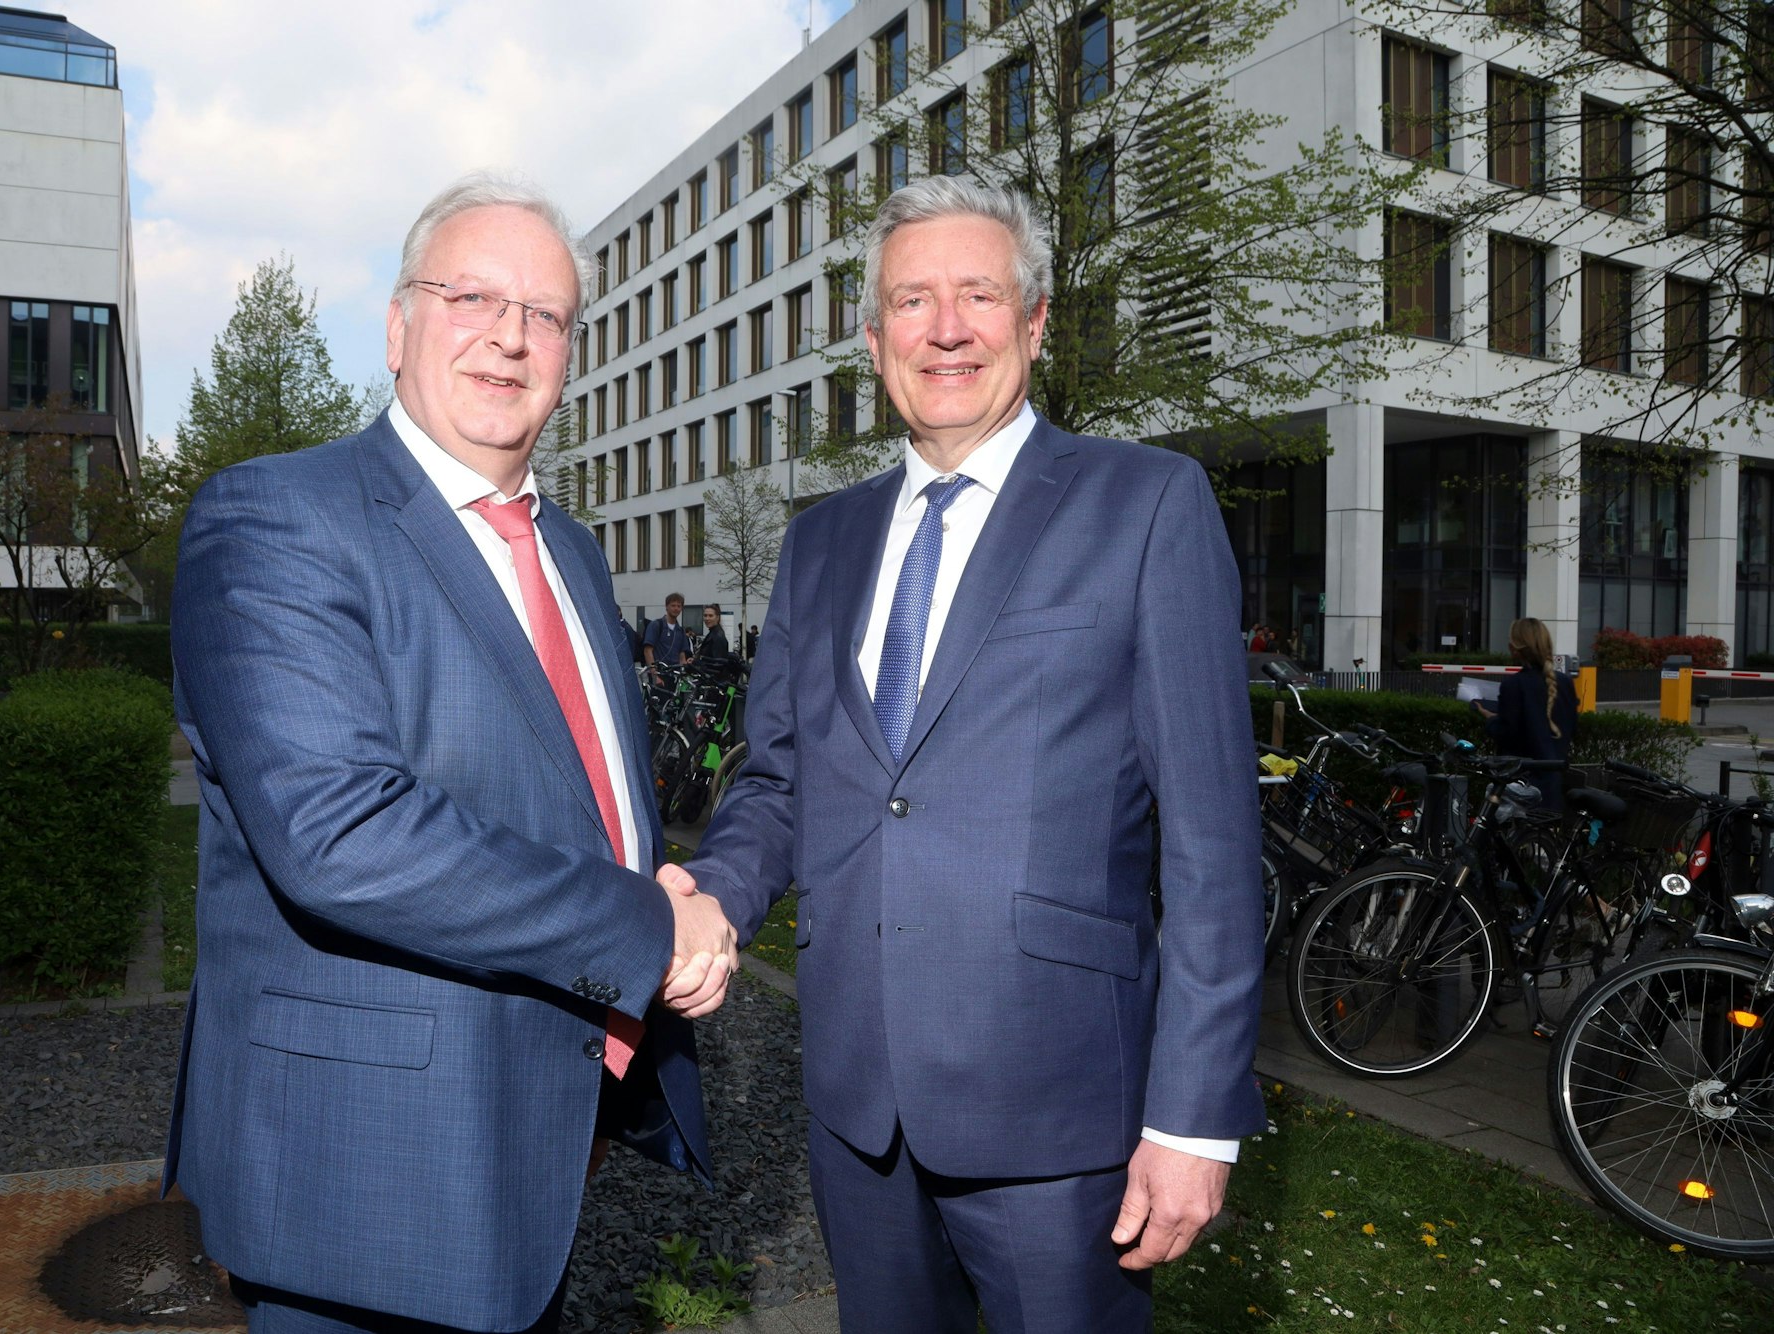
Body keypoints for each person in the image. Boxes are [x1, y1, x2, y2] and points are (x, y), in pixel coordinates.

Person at [671, 177, 1264, 1333]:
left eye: (977, 295)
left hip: (1060, 1115)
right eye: (911, 300)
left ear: (1034, 321)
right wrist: (711, 892)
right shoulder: (817, 542)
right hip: (858, 1105)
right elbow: (780, 776)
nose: (945, 328)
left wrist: (1191, 1118)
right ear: (872, 336)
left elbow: (1210, 843)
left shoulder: (1146, 506)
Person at [166, 174, 738, 1334]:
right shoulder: (276, 518)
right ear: (395, 325)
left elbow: (569, 792)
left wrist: (660, 880)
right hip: (365, 1185)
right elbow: (340, 834)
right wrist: (641, 930)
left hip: (541, 1130)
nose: (509, 337)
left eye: (545, 313)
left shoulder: (572, 552)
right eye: (471, 294)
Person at [1473, 616, 1579, 811]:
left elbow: (1508, 735)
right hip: (1554, 783)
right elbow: (1573, 728)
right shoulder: (1565, 683)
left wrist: (1491, 720)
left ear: (1515, 648)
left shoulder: (1513, 685)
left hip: (1520, 786)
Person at [642, 592, 692, 679]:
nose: (676, 608)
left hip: (675, 675)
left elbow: (682, 655)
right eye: (673, 605)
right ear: (666, 606)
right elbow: (647, 650)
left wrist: (684, 675)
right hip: (659, 673)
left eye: (679, 606)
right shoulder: (656, 625)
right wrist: (654, 674)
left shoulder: (680, 631)